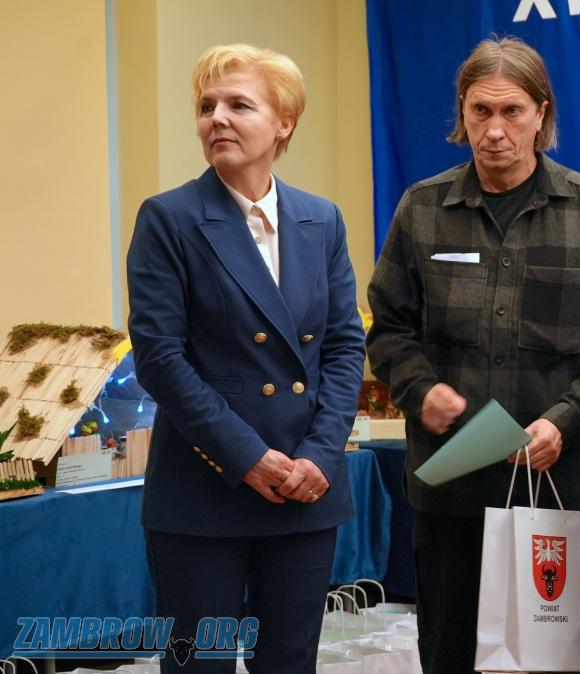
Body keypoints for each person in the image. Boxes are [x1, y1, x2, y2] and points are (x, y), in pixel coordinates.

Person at [365, 36, 580, 674]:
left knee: (551, 663)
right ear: (461, 114)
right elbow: (388, 330)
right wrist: (419, 388)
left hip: (554, 490)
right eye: (480, 111)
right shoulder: (422, 207)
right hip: (450, 487)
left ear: (541, 114)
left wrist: (563, 421)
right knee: (449, 654)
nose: (494, 131)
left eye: (511, 111)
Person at [126, 44, 364, 673]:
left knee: (289, 661)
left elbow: (344, 346)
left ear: (284, 122)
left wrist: (321, 455)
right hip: (205, 489)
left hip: (304, 488)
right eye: (207, 107)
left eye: (239, 105)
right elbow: (160, 358)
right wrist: (247, 456)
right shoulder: (169, 219)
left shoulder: (321, 219)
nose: (218, 119)